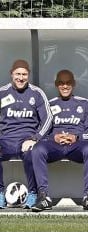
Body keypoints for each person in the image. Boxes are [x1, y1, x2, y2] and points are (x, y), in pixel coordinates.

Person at [31, 70, 88, 212]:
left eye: (68, 83)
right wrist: (52, 137)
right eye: (61, 83)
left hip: (77, 146)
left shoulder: (84, 103)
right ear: (56, 84)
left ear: (73, 84)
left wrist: (77, 137)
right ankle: (43, 196)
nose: (65, 86)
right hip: (55, 146)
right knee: (37, 150)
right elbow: (42, 130)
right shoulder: (49, 104)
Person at [0, 59, 53, 209]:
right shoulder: (2, 93)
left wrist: (35, 138)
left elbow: (48, 118)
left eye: (24, 74)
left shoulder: (36, 93)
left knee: (32, 153)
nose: (21, 78)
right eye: (17, 74)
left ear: (28, 75)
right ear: (11, 74)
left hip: (27, 139)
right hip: (6, 140)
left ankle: (33, 193)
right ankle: (0, 193)